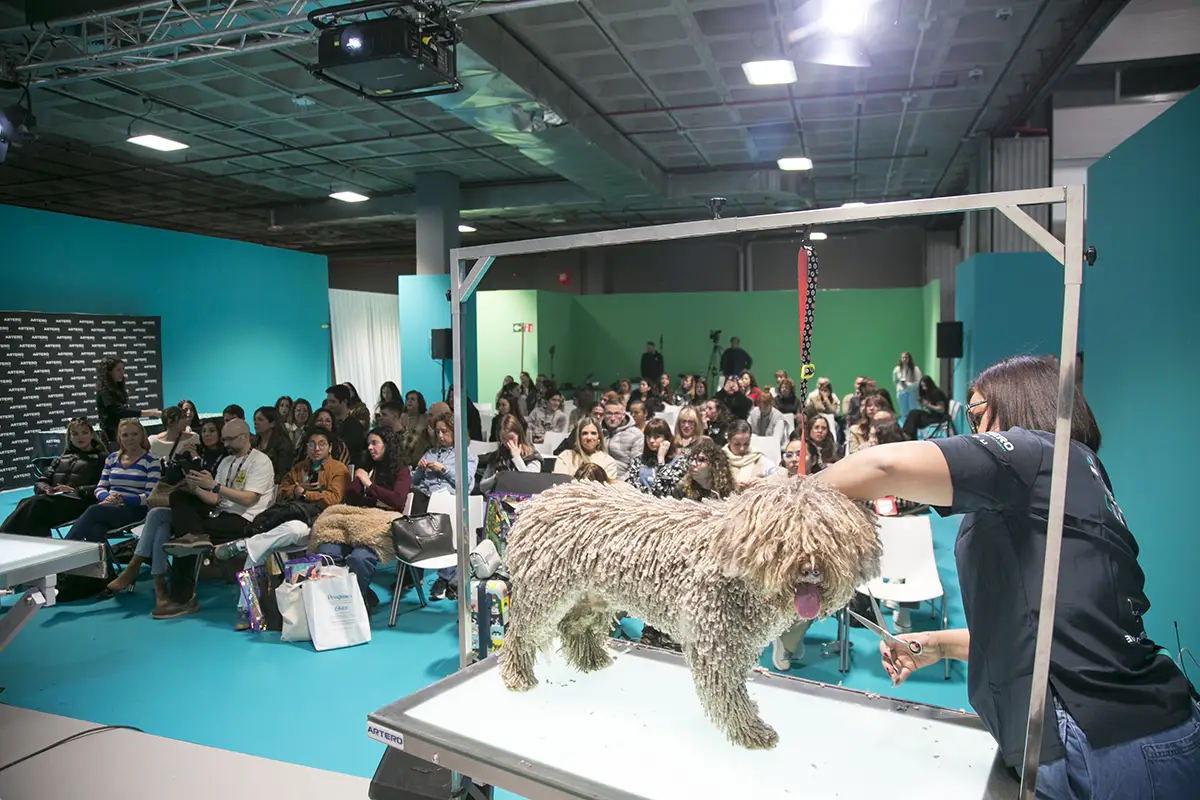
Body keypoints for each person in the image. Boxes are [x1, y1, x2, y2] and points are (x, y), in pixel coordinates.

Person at [816, 355, 1200, 796]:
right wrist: (937, 645)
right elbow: (1045, 628)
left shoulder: (1038, 453)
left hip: (1114, 747)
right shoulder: (1077, 470)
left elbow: (883, 467)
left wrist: (780, 498)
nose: (973, 432)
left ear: (1020, 405)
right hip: (1136, 734)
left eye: (978, 415)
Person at [153, 418, 276, 619]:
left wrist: (215, 486)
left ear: (244, 437)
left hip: (246, 520)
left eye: (229, 439)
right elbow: (215, 499)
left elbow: (248, 499)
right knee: (179, 497)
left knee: (187, 539)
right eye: (224, 439)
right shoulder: (226, 462)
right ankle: (194, 537)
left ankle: (182, 598)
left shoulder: (260, 461)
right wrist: (196, 487)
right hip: (220, 514)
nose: (225, 444)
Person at [314, 427, 413, 610]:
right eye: (368, 444)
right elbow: (351, 497)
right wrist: (375, 497)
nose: (370, 447)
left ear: (387, 445)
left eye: (374, 443)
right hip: (356, 519)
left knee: (359, 558)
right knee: (327, 552)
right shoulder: (367, 467)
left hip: (381, 525)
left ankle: (356, 607)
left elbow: (397, 501)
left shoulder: (402, 470)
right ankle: (358, 596)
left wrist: (369, 484)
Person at [1, 419, 105, 538]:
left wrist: (75, 490)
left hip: (80, 503)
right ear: (69, 437)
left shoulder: (101, 458)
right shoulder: (60, 459)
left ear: (92, 434)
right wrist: (47, 489)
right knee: (30, 507)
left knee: (34, 504)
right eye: (75, 434)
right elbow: (41, 481)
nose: (80, 437)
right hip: (54, 501)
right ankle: (42, 545)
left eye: (84, 433)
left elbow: (105, 485)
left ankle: (4, 538)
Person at [65, 419, 159, 543]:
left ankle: (65, 547)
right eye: (125, 435)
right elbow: (100, 488)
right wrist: (108, 497)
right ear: (119, 437)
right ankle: (104, 563)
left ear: (142, 435)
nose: (130, 438)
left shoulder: (151, 461)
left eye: (134, 434)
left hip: (135, 509)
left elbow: (149, 497)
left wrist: (122, 499)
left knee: (94, 510)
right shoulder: (112, 458)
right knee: (94, 530)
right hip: (110, 506)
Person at [94, 357, 160, 446]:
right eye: (118, 370)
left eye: (123, 369)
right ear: (109, 372)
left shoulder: (117, 388)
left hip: (122, 433)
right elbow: (120, 411)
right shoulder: (104, 391)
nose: (122, 373)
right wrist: (152, 413)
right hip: (112, 437)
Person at [554, 418, 618, 481]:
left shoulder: (609, 462)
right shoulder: (565, 457)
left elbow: (608, 489)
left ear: (599, 437)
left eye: (593, 433)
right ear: (579, 437)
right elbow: (559, 484)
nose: (589, 437)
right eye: (585, 433)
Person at [600, 400, 644, 480]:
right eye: (609, 413)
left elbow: (636, 467)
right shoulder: (597, 431)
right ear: (604, 414)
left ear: (623, 415)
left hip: (622, 481)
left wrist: (619, 483)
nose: (613, 418)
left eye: (617, 413)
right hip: (598, 479)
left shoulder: (636, 435)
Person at [326, 384, 366, 466]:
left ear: (344, 401)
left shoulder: (354, 425)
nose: (329, 405)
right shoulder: (328, 422)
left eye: (332, 402)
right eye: (328, 401)